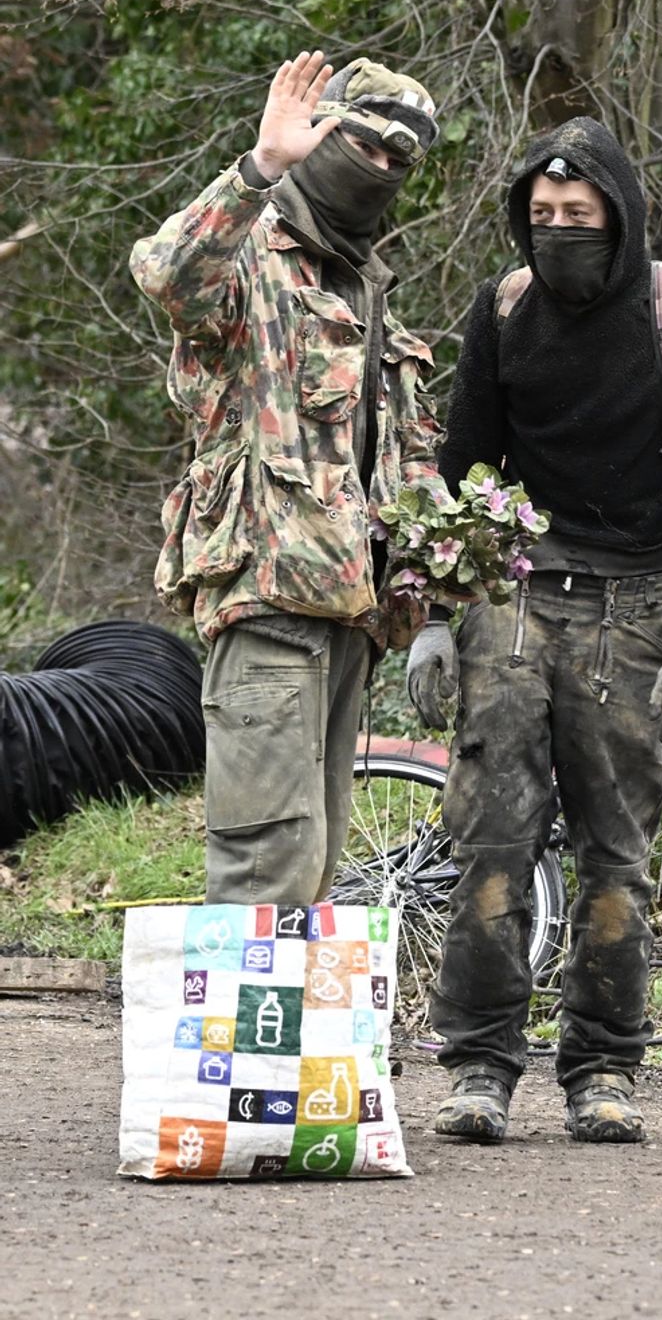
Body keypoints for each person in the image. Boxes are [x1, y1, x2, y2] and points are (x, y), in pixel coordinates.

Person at [407, 117, 662, 1145]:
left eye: (578, 214)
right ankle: (478, 1067)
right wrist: (433, 613)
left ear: (620, 214)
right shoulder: (505, 307)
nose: (557, 230)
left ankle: (602, 1069)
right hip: (509, 598)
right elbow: (463, 469)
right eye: (542, 215)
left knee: (617, 856)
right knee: (491, 844)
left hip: (634, 610)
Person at [131, 49, 449, 907]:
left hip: (353, 613)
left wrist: (436, 602)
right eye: (365, 143)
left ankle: (285, 1043)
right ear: (321, 135)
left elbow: (403, 465)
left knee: (312, 859)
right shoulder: (251, 261)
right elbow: (166, 272)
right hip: (269, 599)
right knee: (263, 863)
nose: (380, 168)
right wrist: (261, 167)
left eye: (400, 159)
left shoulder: (368, 294)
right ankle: (241, 1044)